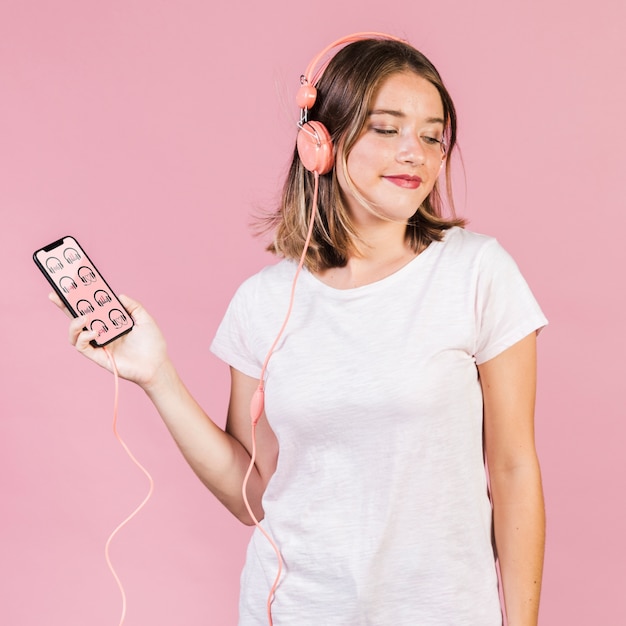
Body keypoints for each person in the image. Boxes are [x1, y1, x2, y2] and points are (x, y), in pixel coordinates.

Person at [53, 33, 547, 626]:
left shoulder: (478, 271)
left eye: (432, 134)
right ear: (320, 141)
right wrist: (157, 376)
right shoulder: (264, 303)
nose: (414, 151)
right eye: (387, 127)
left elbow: (515, 469)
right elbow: (253, 494)